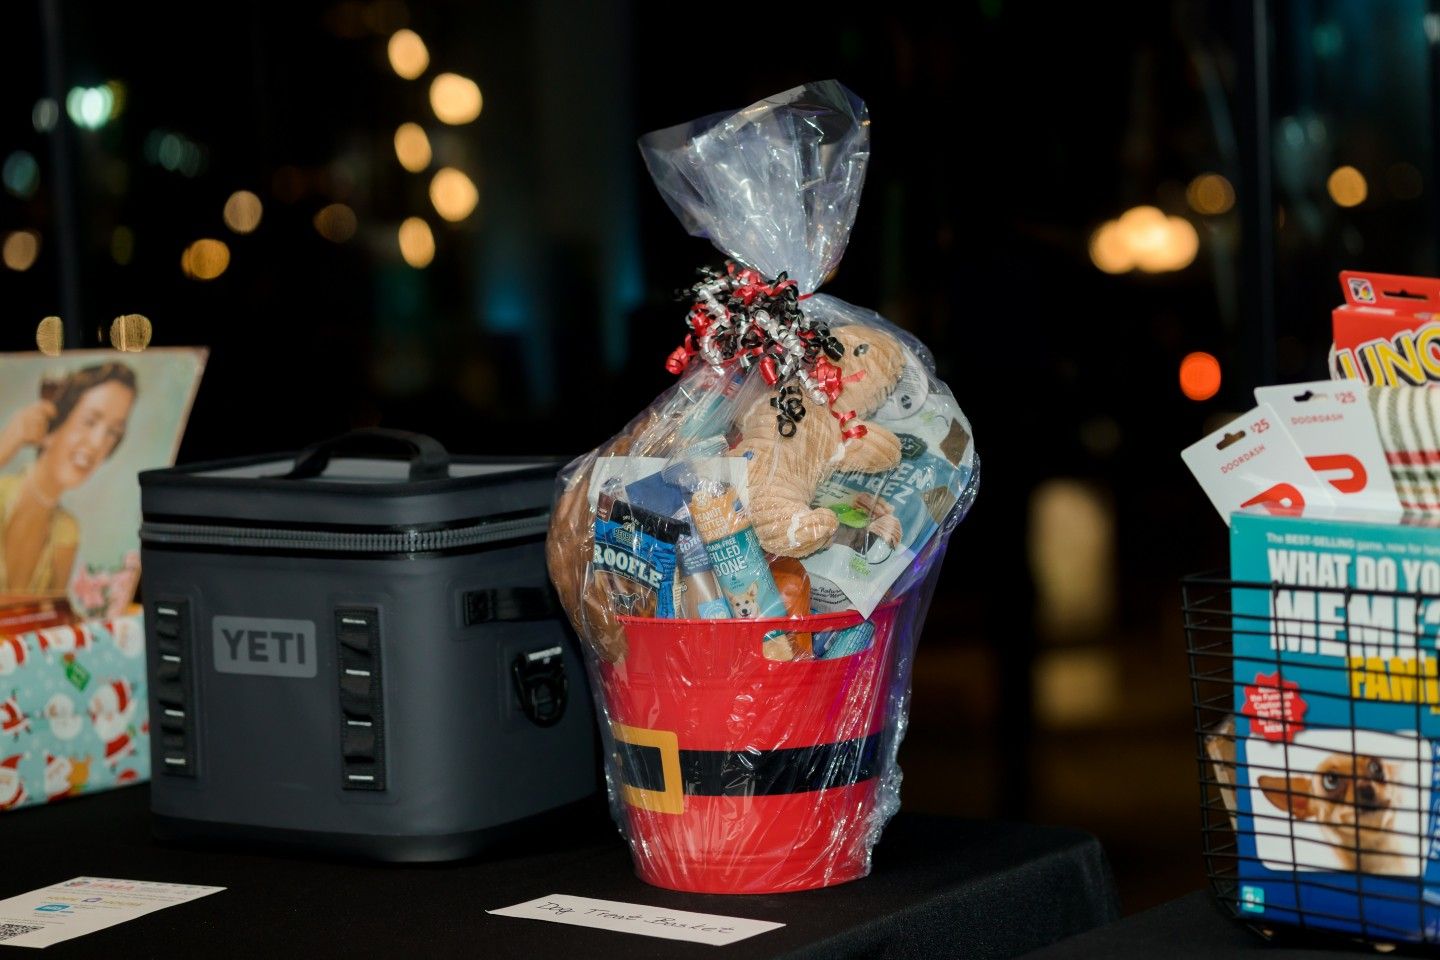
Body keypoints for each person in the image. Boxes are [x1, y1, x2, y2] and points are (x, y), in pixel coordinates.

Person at [0, 363, 138, 596]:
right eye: (90, 421)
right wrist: (5, 446)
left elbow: (52, 615)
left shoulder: (65, 529)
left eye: (112, 432)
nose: (98, 444)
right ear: (52, 425)